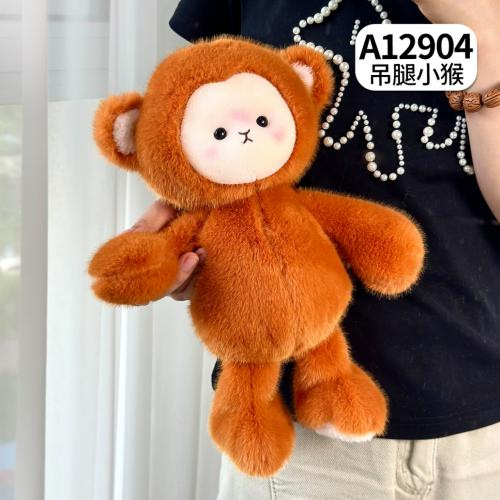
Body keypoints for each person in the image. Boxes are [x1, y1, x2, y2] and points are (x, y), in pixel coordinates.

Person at [127, 0, 500, 498]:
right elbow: (195, 117)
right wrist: (192, 246)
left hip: (486, 424)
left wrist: (482, 35)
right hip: (297, 429)